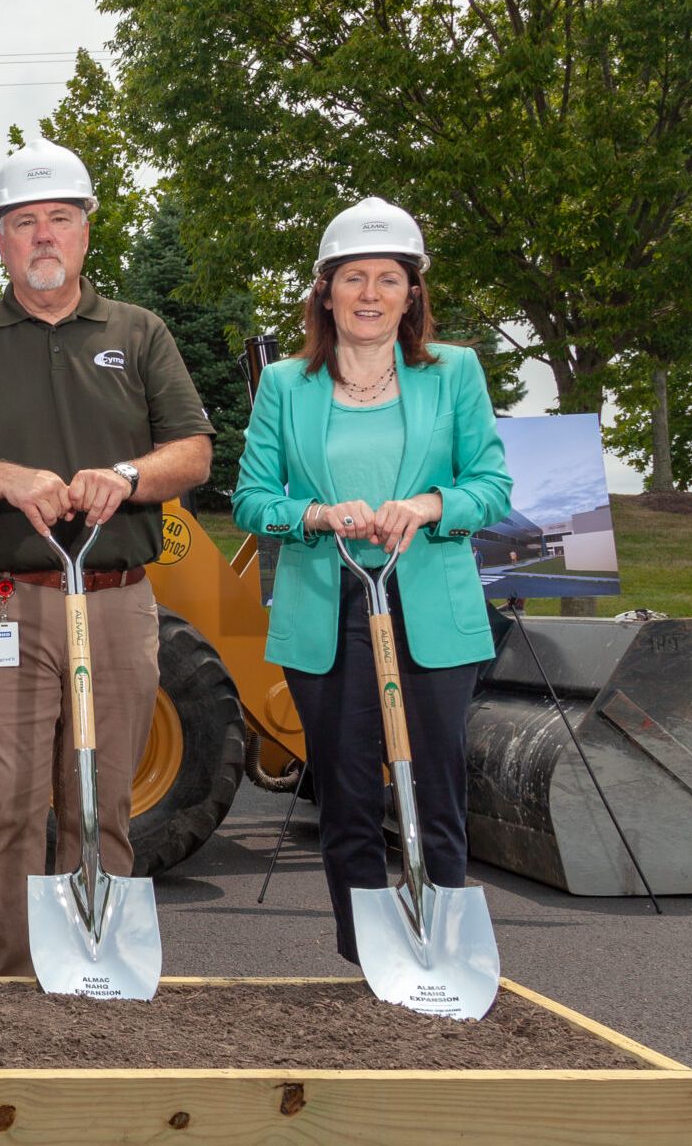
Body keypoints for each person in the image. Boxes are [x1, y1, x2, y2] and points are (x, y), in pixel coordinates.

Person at [0, 137, 214, 978]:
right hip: (0, 601)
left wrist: (128, 476)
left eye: (60, 219)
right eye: (24, 222)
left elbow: (192, 452)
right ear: (0, 240)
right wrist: (4, 477)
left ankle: (93, 979)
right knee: (2, 807)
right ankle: (4, 990)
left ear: (85, 231)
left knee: (101, 801)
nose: (43, 235)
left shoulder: (139, 334)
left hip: (115, 600)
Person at [232, 195, 512, 965]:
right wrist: (317, 515)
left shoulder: (453, 373)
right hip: (328, 607)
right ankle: (370, 961)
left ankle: (440, 955)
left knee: (435, 790)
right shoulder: (287, 384)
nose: (370, 294)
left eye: (389, 279)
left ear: (412, 292)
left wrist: (428, 505)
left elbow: (491, 486)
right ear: (325, 291)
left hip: (430, 604)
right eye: (353, 277)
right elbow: (252, 500)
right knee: (349, 794)